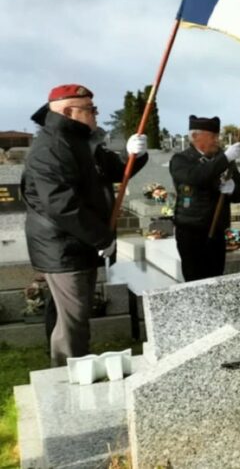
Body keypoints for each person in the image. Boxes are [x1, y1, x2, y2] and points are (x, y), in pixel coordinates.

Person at [22, 84, 149, 365]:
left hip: (77, 242)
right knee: (74, 320)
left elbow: (116, 171)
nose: (96, 115)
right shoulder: (52, 147)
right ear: (69, 111)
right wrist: (102, 238)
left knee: (68, 315)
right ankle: (68, 378)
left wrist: (135, 155)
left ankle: (67, 369)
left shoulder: (82, 141)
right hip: (64, 245)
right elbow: (61, 204)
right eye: (91, 110)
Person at [169, 115, 240, 282]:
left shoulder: (221, 159)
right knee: (196, 281)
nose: (217, 141)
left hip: (217, 232)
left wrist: (233, 188)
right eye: (213, 136)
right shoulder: (181, 160)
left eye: (217, 136)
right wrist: (225, 158)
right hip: (191, 232)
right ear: (196, 136)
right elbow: (196, 177)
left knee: (215, 280)